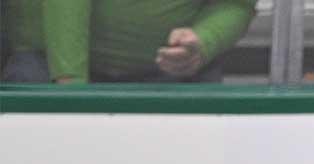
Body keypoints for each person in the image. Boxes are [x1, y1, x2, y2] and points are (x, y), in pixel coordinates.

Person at [1, 0, 255, 84]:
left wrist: (204, 40)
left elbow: (235, 4)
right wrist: (70, 82)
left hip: (176, 72)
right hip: (48, 60)